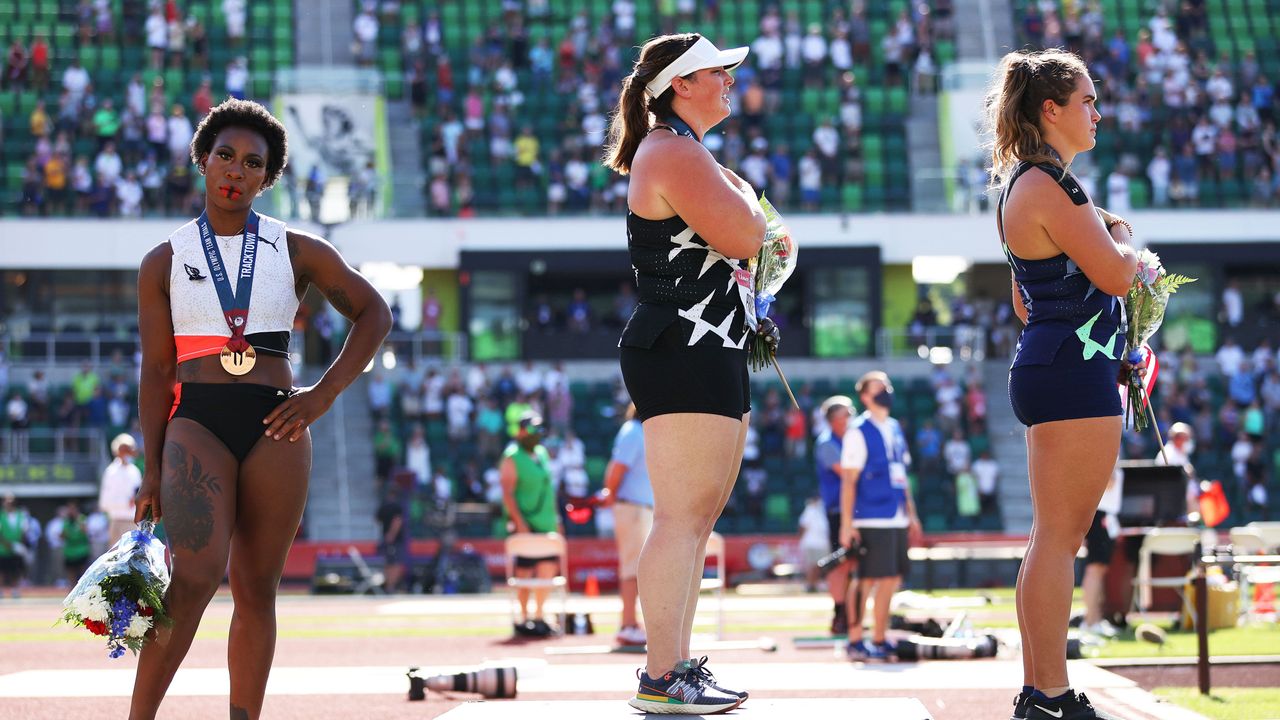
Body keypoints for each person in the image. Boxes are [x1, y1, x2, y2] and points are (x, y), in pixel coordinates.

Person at [129, 98, 392, 720]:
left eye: (253, 163)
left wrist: (323, 395)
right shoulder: (162, 261)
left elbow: (374, 313)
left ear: (267, 178)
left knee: (256, 594)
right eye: (224, 156)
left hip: (278, 423)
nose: (236, 171)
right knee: (192, 579)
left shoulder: (295, 249)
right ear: (201, 160)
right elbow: (157, 370)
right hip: (196, 423)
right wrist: (149, 467)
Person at [604, 32, 769, 714]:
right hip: (685, 343)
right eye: (715, 71)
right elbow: (749, 237)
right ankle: (661, 673)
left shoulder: (683, 150)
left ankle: (675, 667)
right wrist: (755, 210)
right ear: (680, 85)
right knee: (680, 518)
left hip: (709, 341)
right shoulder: (672, 150)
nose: (729, 80)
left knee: (695, 520)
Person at [989, 49, 1138, 720]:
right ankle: (1048, 694)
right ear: (1050, 110)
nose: (1097, 113)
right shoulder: (1050, 186)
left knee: (1050, 536)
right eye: (1087, 101)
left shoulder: (1030, 185)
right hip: (1071, 374)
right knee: (1058, 538)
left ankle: (1040, 690)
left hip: (1054, 362)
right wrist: (1129, 242)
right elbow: (1114, 274)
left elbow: (1026, 304)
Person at [839, 372, 921, 661]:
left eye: (887, 386)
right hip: (871, 515)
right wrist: (847, 524)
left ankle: (879, 637)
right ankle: (855, 639)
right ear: (864, 397)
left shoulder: (895, 428)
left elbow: (902, 474)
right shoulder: (858, 430)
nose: (886, 391)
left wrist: (911, 513)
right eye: (878, 388)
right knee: (865, 579)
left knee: (891, 578)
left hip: (896, 514)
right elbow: (849, 481)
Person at [499, 411, 563, 635]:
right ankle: (524, 617)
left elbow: (548, 489)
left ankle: (539, 615)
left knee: (547, 569)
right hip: (526, 522)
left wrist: (556, 518)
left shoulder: (541, 453)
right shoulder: (512, 456)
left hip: (546, 521)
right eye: (532, 429)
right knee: (524, 572)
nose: (537, 434)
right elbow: (507, 493)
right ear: (521, 430)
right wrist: (519, 521)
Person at [600, 403, 654, 647]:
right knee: (633, 568)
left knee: (639, 568)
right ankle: (628, 624)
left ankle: (633, 623)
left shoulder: (640, 430)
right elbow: (617, 468)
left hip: (640, 507)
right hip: (632, 506)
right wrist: (610, 495)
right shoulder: (633, 431)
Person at [814, 395, 856, 634]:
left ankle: (850, 612)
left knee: (853, 562)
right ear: (834, 420)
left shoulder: (850, 439)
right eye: (847, 414)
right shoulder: (826, 443)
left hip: (855, 510)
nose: (851, 418)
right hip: (839, 511)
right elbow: (849, 474)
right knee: (840, 562)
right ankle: (840, 611)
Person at [1080, 462, 1123, 638]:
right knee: (1094, 569)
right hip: (1100, 516)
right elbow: (1108, 482)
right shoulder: (1103, 451)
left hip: (1106, 517)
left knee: (1099, 570)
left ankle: (1095, 619)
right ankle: (1089, 621)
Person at [99, 433, 144, 542]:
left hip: (133, 522)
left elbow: (138, 494)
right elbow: (104, 503)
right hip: (116, 521)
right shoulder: (111, 472)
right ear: (117, 451)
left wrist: (135, 500)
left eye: (130, 449)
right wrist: (126, 503)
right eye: (125, 449)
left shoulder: (135, 471)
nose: (128, 453)